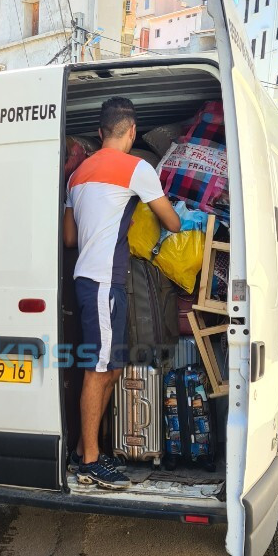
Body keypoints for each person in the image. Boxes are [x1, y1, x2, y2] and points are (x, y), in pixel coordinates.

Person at [63, 97, 181, 490]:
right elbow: (173, 223)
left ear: (100, 133)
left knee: (111, 366)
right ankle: (91, 462)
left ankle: (84, 448)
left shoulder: (77, 175)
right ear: (132, 131)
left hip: (92, 280)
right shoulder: (137, 168)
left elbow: (68, 237)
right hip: (102, 282)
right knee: (99, 370)